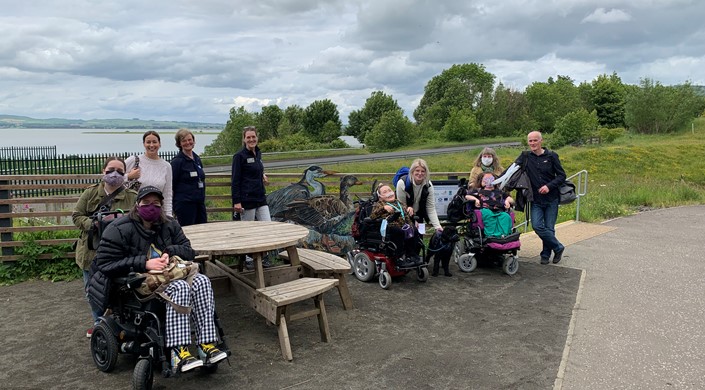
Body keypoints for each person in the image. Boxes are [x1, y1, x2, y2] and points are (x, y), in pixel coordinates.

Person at [87, 186, 227, 372]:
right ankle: (179, 352)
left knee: (202, 281)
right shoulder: (118, 229)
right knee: (180, 287)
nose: (151, 207)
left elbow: (189, 251)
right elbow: (104, 264)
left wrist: (170, 252)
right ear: (137, 205)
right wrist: (144, 263)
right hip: (135, 285)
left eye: (156, 203)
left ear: (161, 206)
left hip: (167, 277)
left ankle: (206, 345)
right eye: (146, 203)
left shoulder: (170, 224)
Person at [72, 157, 137, 338]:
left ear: (125, 174)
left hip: (120, 253)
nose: (114, 174)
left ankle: (119, 326)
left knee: (121, 290)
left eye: (119, 171)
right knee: (93, 291)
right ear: (103, 171)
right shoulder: (91, 194)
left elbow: (138, 220)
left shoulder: (131, 197)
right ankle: (99, 325)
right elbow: (77, 215)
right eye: (110, 170)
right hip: (91, 251)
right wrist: (92, 224)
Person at [516, 131, 566, 265]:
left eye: (535, 140)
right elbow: (512, 169)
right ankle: (558, 247)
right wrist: (496, 180)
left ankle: (545, 255)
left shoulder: (552, 156)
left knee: (549, 228)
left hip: (551, 198)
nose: (532, 143)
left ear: (541, 141)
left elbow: (562, 176)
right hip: (536, 200)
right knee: (537, 226)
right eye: (530, 141)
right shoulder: (525, 156)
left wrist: (549, 186)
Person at [231, 126, 271, 268]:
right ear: (244, 139)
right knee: (248, 230)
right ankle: (249, 259)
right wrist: (236, 201)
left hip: (260, 197)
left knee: (267, 227)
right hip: (247, 200)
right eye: (248, 137)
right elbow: (235, 180)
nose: (251, 139)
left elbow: (256, 169)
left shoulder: (258, 154)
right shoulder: (239, 156)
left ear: (257, 138)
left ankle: (264, 256)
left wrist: (262, 175)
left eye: (253, 137)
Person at [370, 183, 421, 267]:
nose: (389, 193)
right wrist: (383, 208)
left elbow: (407, 212)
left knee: (414, 230)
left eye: (390, 190)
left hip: (404, 226)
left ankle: (411, 255)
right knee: (399, 232)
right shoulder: (379, 204)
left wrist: (410, 209)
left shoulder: (399, 202)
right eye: (385, 192)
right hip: (389, 227)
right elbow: (372, 216)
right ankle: (399, 258)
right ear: (380, 197)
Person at [125, 130, 173, 217]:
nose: (151, 145)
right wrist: (128, 176)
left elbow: (167, 194)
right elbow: (114, 179)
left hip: (156, 213)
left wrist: (168, 215)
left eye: (154, 142)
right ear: (144, 144)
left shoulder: (166, 166)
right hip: (135, 213)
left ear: (159, 144)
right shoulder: (133, 161)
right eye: (148, 142)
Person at [395, 158, 443, 233]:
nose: (420, 173)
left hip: (419, 214)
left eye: (423, 171)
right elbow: (401, 207)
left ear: (426, 173)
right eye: (417, 170)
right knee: (408, 239)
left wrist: (438, 226)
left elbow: (430, 208)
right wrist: (412, 221)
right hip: (405, 215)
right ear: (412, 171)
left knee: (419, 238)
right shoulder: (402, 183)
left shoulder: (428, 185)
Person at [171, 128, 207, 226]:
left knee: (204, 230)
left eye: (189, 140)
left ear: (193, 141)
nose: (188, 142)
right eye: (184, 140)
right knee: (189, 231)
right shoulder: (177, 162)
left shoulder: (197, 158)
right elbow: (172, 185)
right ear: (179, 143)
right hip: (185, 204)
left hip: (199, 202)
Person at [465, 172, 515, 238]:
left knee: (505, 216)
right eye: (486, 179)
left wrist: (507, 201)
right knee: (488, 215)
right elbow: (467, 196)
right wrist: (476, 200)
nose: (489, 182)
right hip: (484, 209)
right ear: (481, 181)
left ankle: (504, 235)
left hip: (499, 211)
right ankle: (490, 235)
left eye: (491, 179)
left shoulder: (499, 192)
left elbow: (512, 200)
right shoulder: (478, 191)